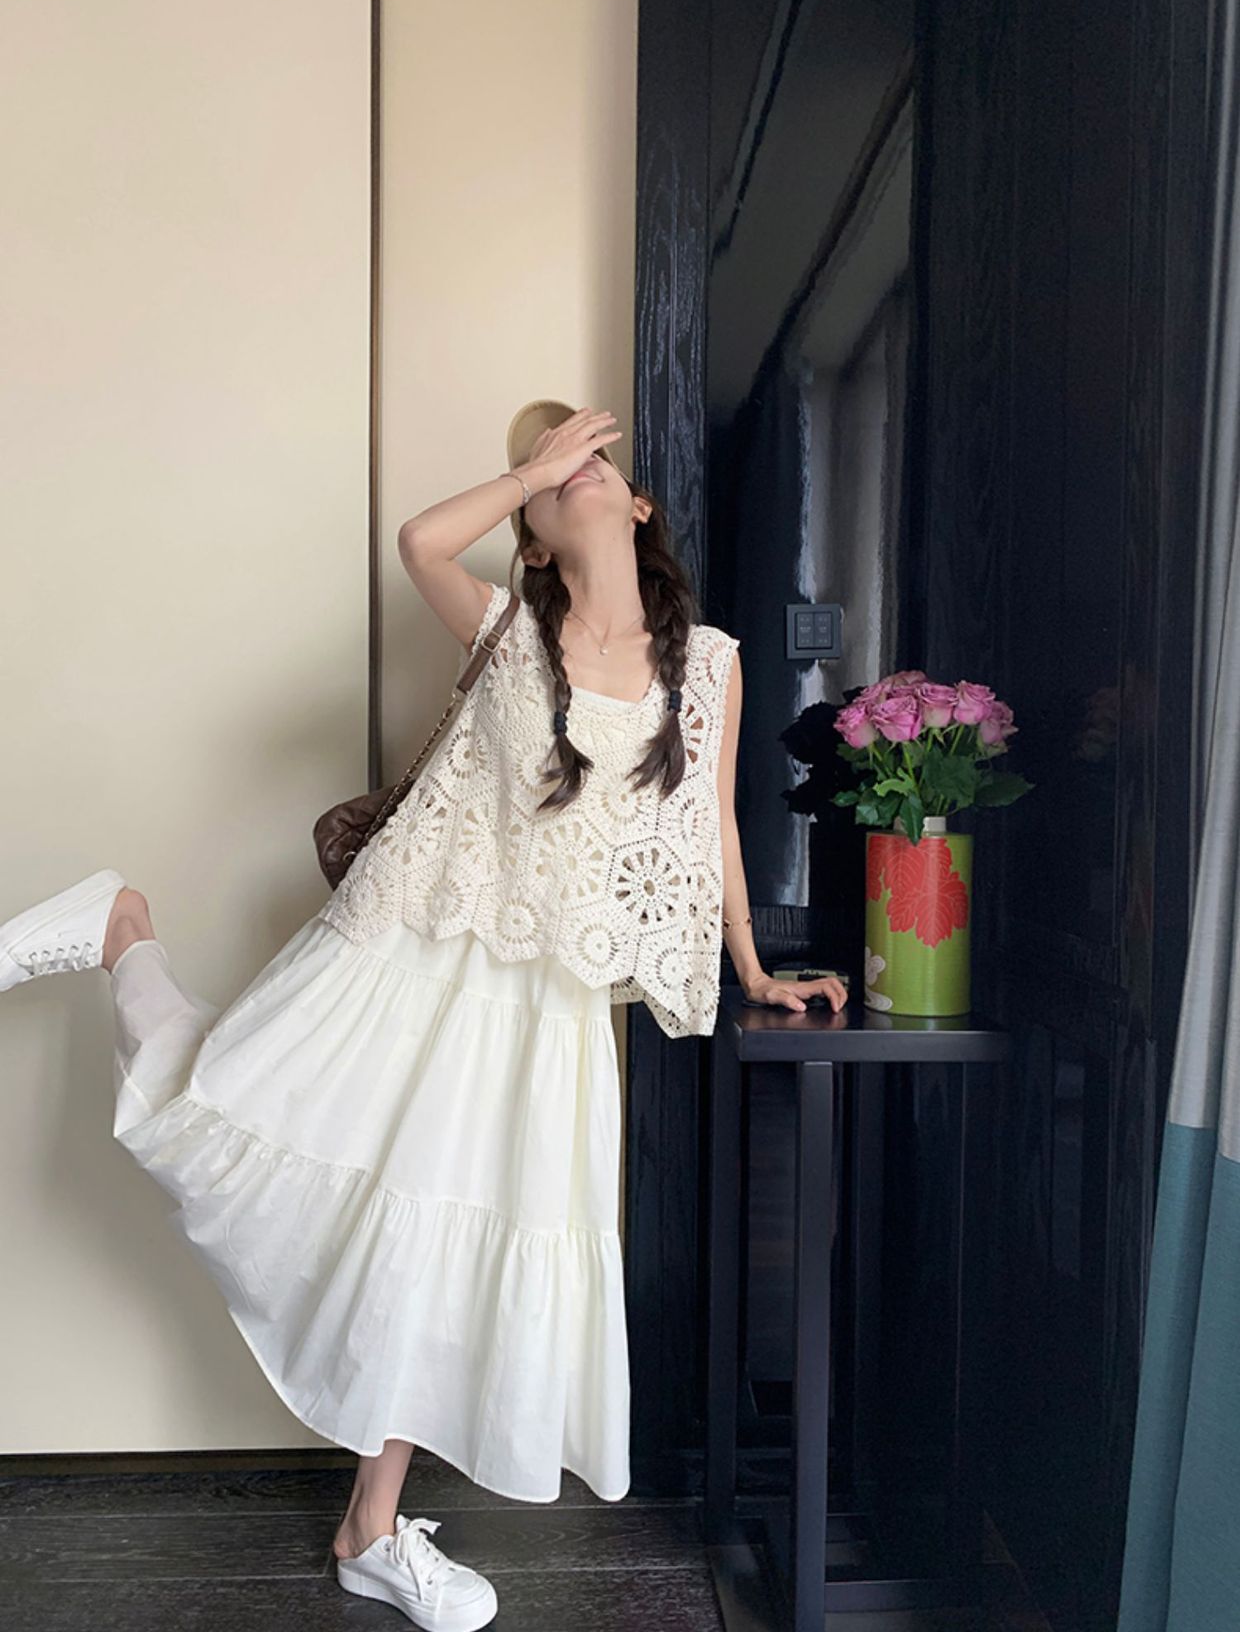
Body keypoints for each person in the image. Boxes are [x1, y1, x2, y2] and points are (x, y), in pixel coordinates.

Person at [0, 398, 849, 1631]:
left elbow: (711, 824)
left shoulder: (706, 664)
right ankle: (121, 929)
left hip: (546, 1007)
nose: (574, 474)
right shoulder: (508, 626)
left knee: (443, 1253)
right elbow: (419, 542)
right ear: (534, 532)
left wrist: (753, 970)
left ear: (639, 503)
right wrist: (532, 469)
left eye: (595, 461)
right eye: (549, 474)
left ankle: (371, 1529)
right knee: (215, 1127)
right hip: (412, 952)